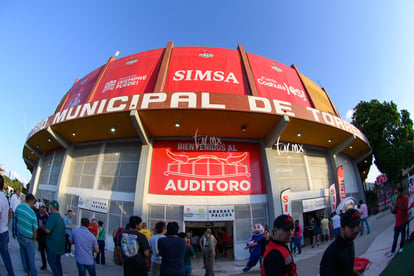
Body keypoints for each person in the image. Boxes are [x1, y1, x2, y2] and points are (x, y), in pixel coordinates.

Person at [319, 208, 361, 276]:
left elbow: (347, 268)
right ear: (342, 228)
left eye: (358, 224)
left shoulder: (350, 242)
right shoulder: (333, 252)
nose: (356, 230)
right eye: (352, 226)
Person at [15, 193, 39, 276]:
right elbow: (35, 229)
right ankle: (33, 273)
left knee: (23, 255)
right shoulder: (32, 214)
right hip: (28, 238)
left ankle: (26, 272)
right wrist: (34, 240)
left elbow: (16, 219)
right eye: (33, 202)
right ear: (31, 201)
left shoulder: (19, 207)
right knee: (31, 259)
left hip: (20, 235)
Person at [41, 200, 66, 276]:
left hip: (53, 245)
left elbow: (47, 230)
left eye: (50, 206)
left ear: (52, 207)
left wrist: (41, 225)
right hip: (60, 246)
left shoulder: (52, 217)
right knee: (57, 262)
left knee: (51, 261)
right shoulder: (61, 218)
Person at [387, 186, 409, 256]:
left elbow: (404, 207)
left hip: (403, 219)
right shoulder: (397, 200)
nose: (397, 194)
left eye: (398, 193)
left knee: (402, 234)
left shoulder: (405, 198)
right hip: (398, 221)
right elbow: (395, 211)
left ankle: (401, 247)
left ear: (401, 192)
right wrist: (392, 209)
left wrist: (397, 204)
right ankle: (392, 250)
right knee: (395, 236)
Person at [0, 175, 15, 276]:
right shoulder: (4, 198)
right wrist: (6, 223)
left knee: (5, 255)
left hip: (0, 232)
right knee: (5, 256)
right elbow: (9, 213)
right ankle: (11, 273)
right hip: (4, 230)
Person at [36, 202, 49, 271]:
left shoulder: (46, 217)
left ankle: (50, 264)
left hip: (45, 236)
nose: (42, 209)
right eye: (41, 207)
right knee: (42, 252)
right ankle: (44, 265)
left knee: (47, 251)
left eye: (44, 208)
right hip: (39, 236)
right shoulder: (37, 215)